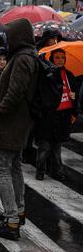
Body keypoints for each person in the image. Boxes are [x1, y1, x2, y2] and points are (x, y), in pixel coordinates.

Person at [0, 19, 39, 241]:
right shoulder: (26, 55)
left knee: (1, 169)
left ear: (19, 36)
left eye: (10, 36)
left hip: (11, 123)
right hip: (18, 123)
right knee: (14, 167)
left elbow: (14, 94)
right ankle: (17, 211)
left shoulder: (23, 59)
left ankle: (11, 221)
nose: (7, 40)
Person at [33, 49, 79, 180]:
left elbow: (75, 93)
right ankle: (40, 170)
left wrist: (73, 100)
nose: (60, 60)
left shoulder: (69, 75)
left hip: (63, 116)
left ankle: (57, 171)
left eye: (62, 58)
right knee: (44, 146)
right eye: (57, 58)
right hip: (49, 116)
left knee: (57, 147)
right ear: (52, 59)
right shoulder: (48, 75)